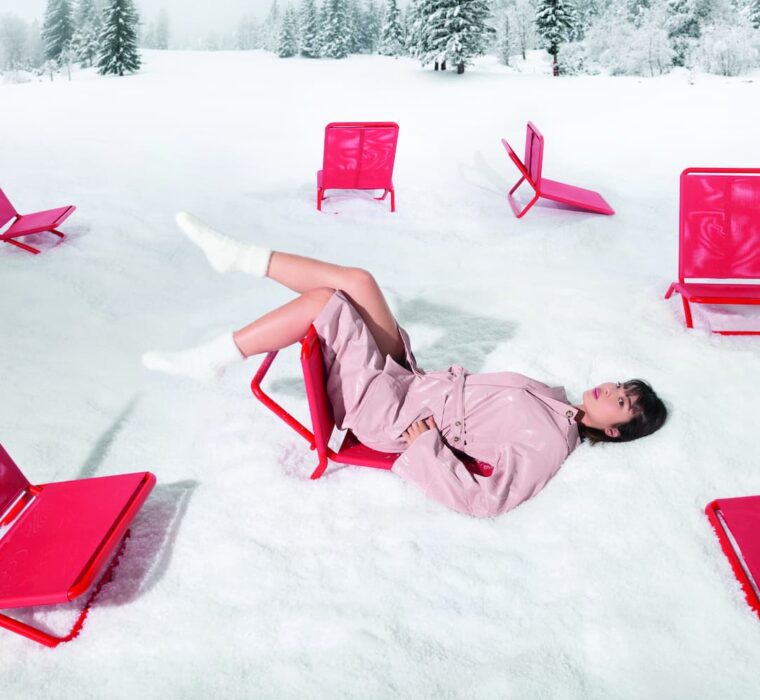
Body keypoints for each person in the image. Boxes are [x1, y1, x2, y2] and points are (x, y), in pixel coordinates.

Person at [143, 213, 668, 518]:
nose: (609, 389)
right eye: (619, 385)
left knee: (325, 302)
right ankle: (239, 256)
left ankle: (213, 358)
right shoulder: (556, 400)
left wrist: (427, 446)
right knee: (360, 281)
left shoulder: (551, 441)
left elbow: (487, 501)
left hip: (391, 415)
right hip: (412, 383)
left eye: (621, 401)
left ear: (614, 430)